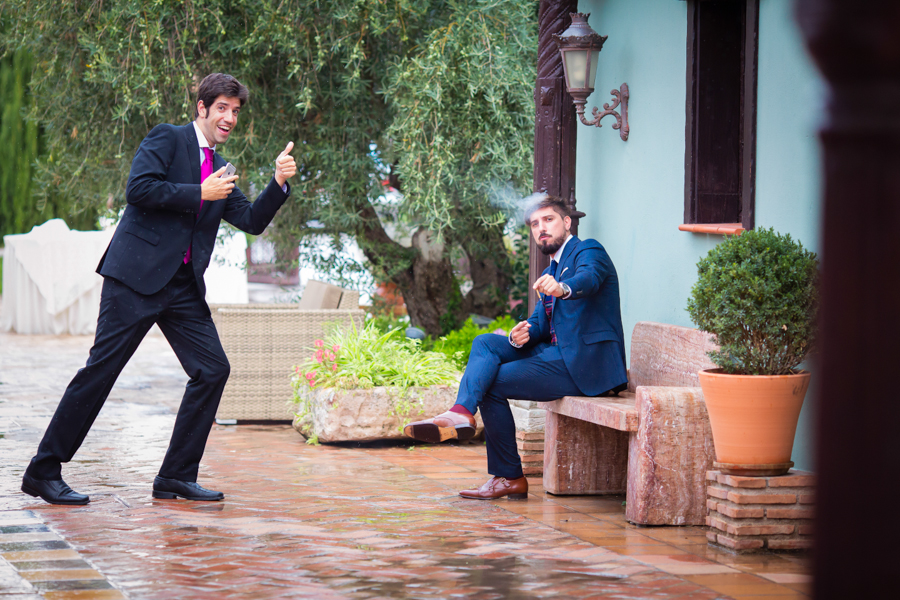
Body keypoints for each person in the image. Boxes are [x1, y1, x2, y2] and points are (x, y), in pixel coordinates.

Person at [21, 73, 296, 505]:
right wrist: (198, 193)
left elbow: (252, 221)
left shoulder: (222, 170)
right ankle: (43, 470)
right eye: (221, 108)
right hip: (135, 278)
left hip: (183, 288)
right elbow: (139, 189)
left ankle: (175, 476)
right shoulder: (167, 138)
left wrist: (278, 183)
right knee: (101, 372)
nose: (229, 117)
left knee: (212, 370)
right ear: (202, 108)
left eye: (236, 111)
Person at [403, 194, 627, 500]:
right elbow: (540, 325)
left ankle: (508, 477)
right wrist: (520, 335)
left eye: (548, 220)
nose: (541, 228)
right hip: (557, 355)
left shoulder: (588, 251)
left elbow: (589, 279)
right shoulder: (550, 271)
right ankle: (461, 412)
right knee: (485, 342)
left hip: (586, 365)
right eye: (535, 224)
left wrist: (563, 289)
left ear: (566, 222)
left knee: (491, 384)